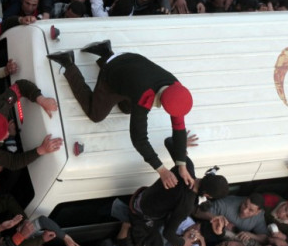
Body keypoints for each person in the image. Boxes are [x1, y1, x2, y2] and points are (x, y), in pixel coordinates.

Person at [46, 41, 193, 189]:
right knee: (96, 115)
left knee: (126, 109)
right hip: (112, 73)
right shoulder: (144, 97)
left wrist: (181, 164)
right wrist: (161, 169)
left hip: (133, 62)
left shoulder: (176, 90)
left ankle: (105, 52)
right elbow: (139, 138)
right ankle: (68, 63)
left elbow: (179, 128)